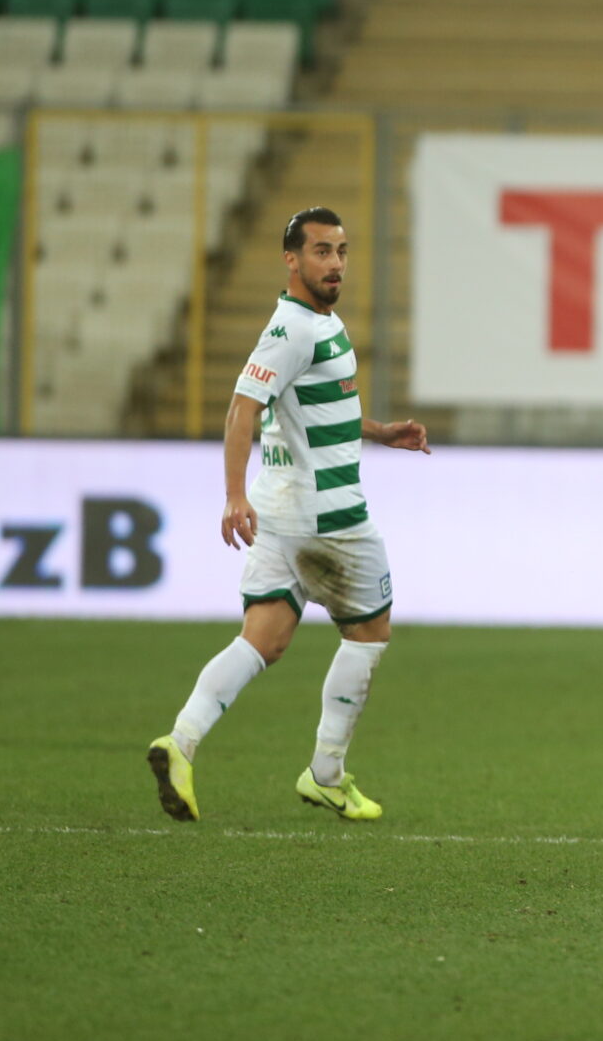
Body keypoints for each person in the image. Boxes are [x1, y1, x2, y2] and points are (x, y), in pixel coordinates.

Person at [145, 208, 430, 824]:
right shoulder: (293, 329)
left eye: (342, 251)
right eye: (322, 251)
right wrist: (232, 495)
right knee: (369, 632)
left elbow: (316, 408)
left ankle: (181, 742)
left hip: (282, 516)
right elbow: (241, 409)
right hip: (329, 515)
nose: (336, 263)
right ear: (291, 260)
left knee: (263, 639)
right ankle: (326, 774)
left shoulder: (319, 324)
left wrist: (380, 431)